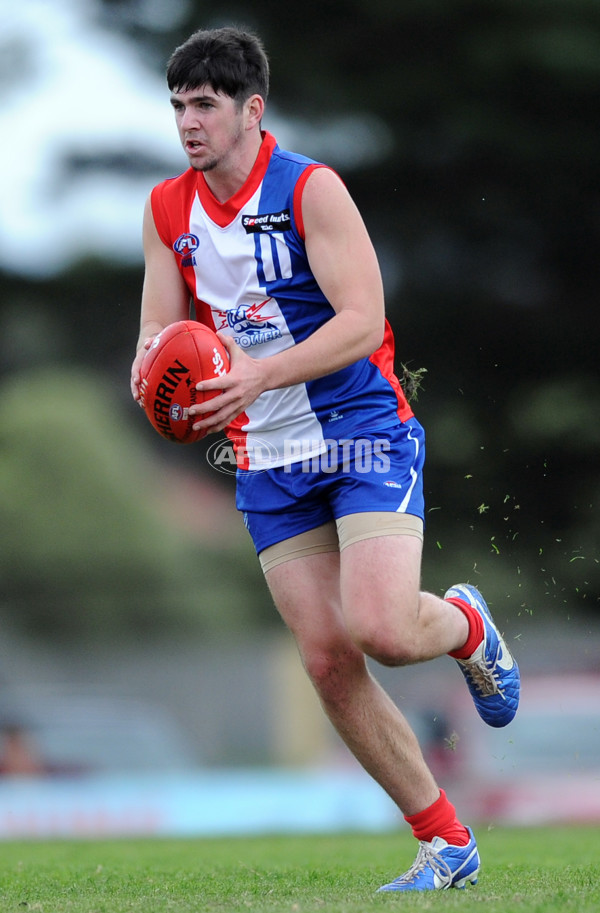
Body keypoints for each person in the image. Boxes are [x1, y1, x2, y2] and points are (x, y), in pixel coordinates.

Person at [130, 26, 520, 893]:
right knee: (326, 658)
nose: (188, 123)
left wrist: (257, 372)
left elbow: (360, 320)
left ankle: (465, 624)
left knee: (380, 626)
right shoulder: (166, 212)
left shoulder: (312, 189)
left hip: (360, 432)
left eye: (205, 105)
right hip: (266, 456)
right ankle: (447, 844)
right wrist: (152, 378)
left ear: (251, 110)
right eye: (178, 107)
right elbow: (158, 335)